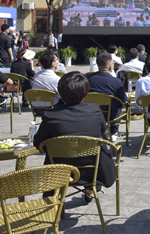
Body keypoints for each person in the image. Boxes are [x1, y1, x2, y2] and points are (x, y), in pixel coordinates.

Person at [34, 72, 118, 203]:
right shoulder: (95, 109)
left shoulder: (50, 115)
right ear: (85, 93)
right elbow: (105, 136)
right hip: (93, 172)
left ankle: (52, 201)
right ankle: (91, 189)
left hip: (60, 172)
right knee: (97, 148)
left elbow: (38, 143)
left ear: (60, 92)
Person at [87, 53, 128, 142]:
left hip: (91, 113)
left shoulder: (87, 79)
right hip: (110, 115)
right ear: (111, 67)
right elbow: (124, 100)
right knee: (118, 103)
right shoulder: (116, 82)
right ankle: (114, 131)